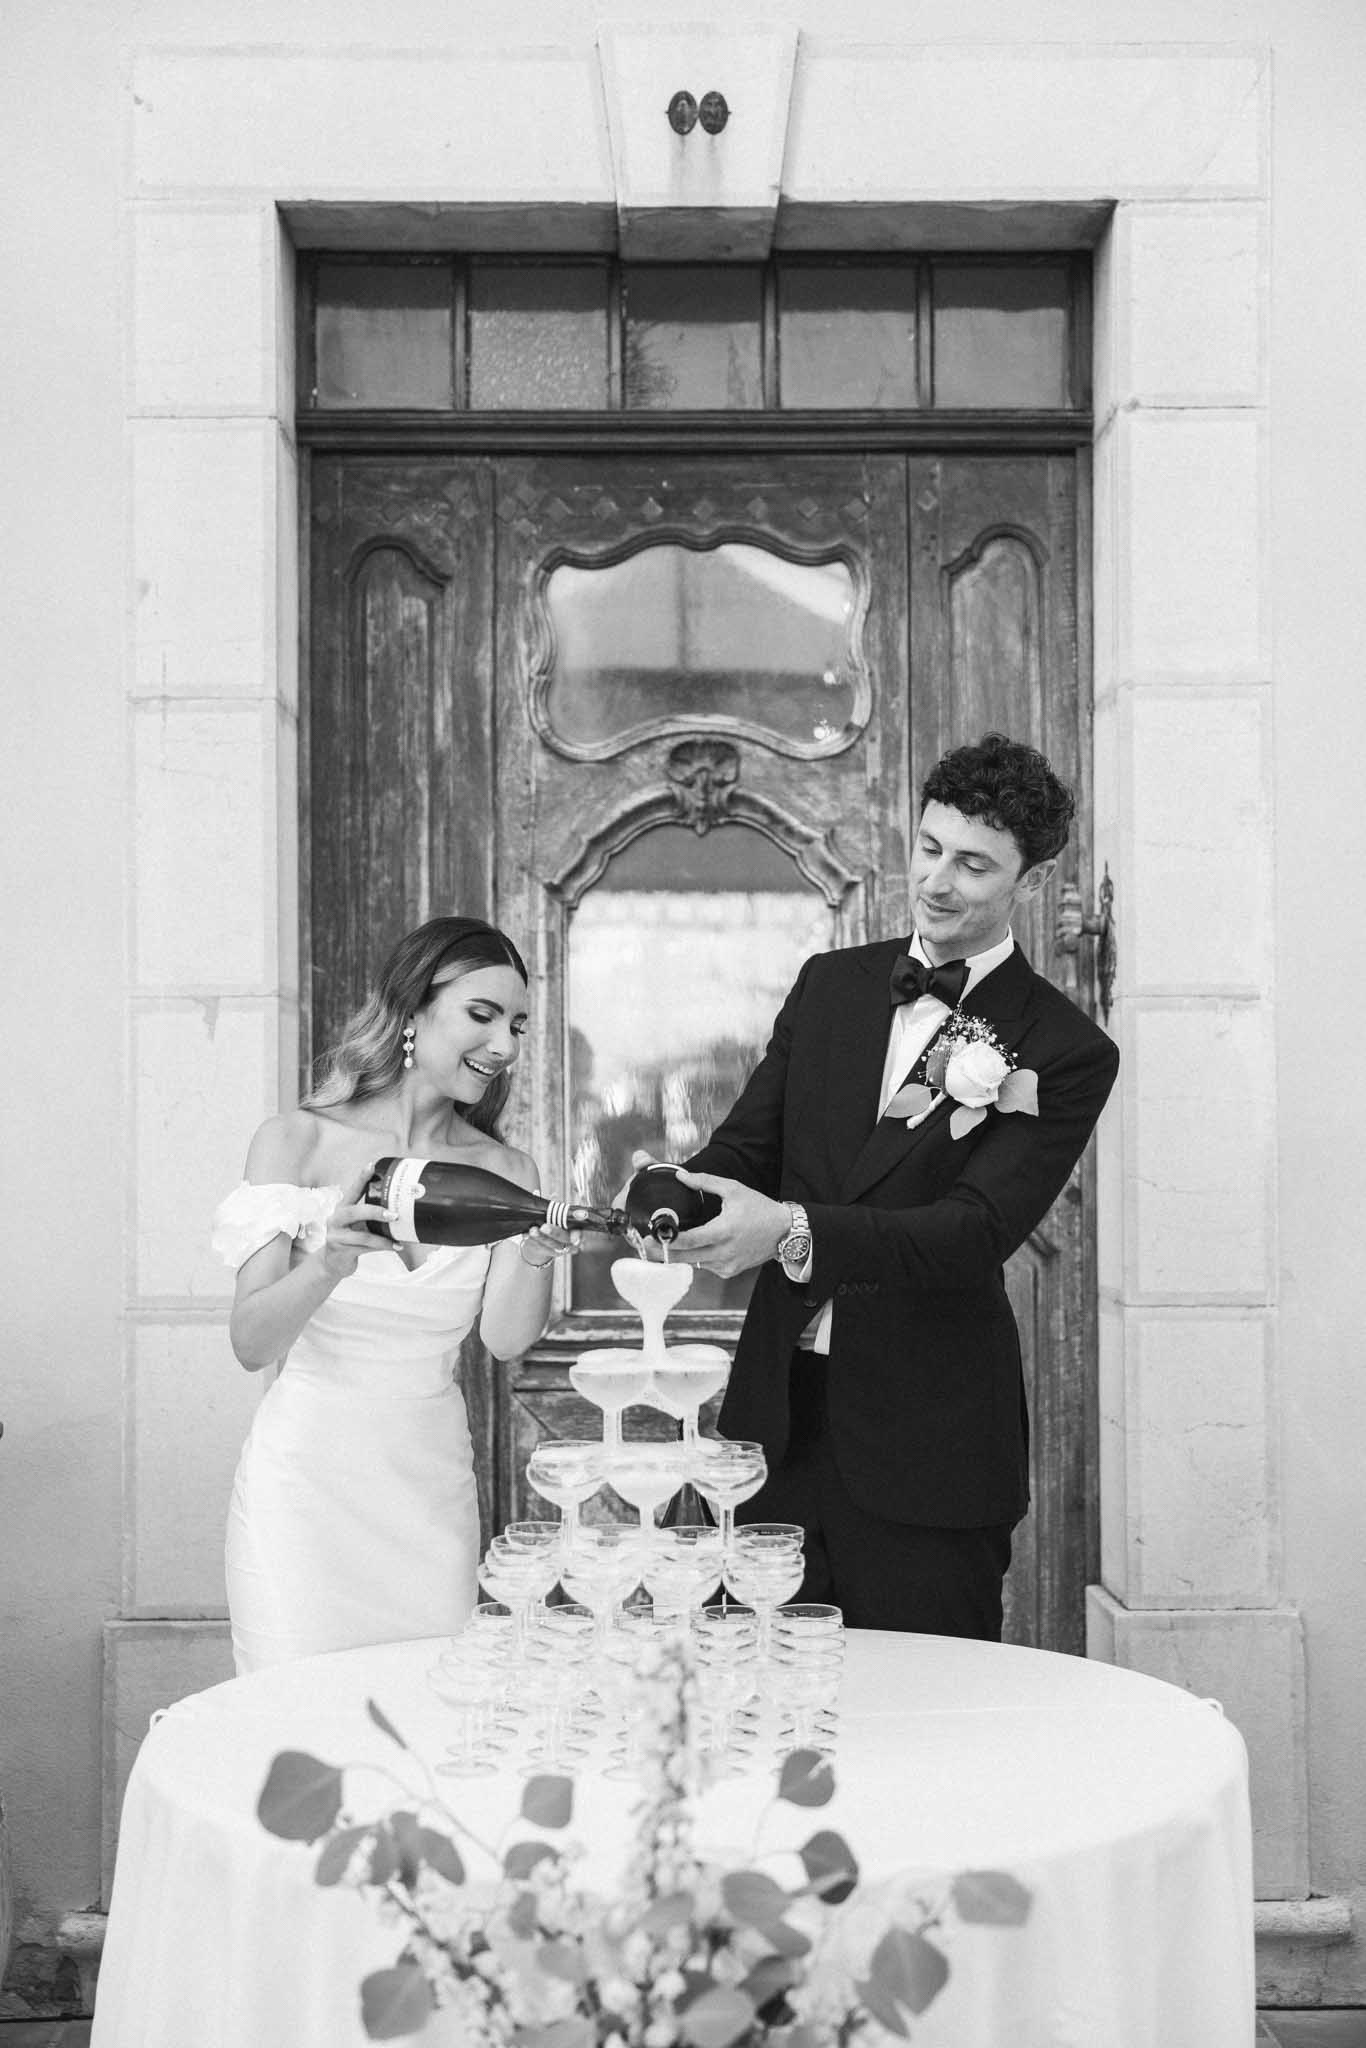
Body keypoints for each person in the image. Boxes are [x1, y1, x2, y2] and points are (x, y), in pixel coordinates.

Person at [669, 732, 1120, 1640]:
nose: (939, 881)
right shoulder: (830, 985)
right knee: (754, 1707)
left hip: (932, 1447)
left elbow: (971, 1232)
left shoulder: (1066, 1048)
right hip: (775, 1428)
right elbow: (745, 1151)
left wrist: (791, 1231)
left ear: (1028, 882)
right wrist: (666, 1199)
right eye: (929, 848)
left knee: (928, 1728)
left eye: (976, 865)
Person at [211, 915, 573, 1673]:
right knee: (296, 1719)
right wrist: (329, 1262)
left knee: (423, 1724)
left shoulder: (509, 1172)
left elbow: (505, 1340)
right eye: (481, 1016)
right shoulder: (295, 1142)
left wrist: (537, 1255)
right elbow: (252, 1342)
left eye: (516, 1025)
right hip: (305, 1489)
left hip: (426, 1488)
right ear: (412, 1009)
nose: (503, 1046)